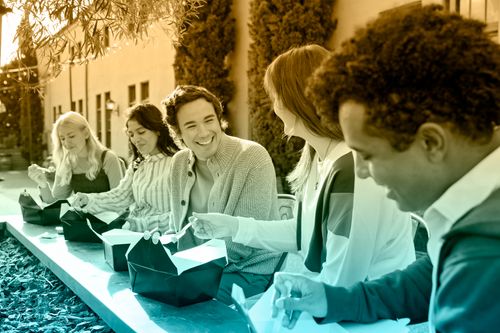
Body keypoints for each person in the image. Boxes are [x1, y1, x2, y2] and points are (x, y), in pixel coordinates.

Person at [272, 5, 500, 332]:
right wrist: (331, 299)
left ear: (431, 143)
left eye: (368, 155)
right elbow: (433, 273)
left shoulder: (485, 254)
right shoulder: (474, 215)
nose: (362, 172)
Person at [191, 45, 415, 287]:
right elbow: (303, 234)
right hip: (342, 305)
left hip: (369, 315)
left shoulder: (351, 169)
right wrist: (232, 226)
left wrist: (298, 301)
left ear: (296, 100)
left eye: (275, 96)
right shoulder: (318, 157)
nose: (273, 107)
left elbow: (344, 279)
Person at [161, 85, 283, 304]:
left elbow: (242, 245)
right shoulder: (179, 163)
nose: (204, 132)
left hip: (247, 271)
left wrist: (187, 268)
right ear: (178, 132)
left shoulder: (252, 156)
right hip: (194, 268)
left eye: (209, 120)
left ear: (219, 120)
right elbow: (178, 229)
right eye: (191, 126)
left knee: (188, 306)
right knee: (150, 293)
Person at [71, 104, 179, 233]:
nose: (136, 139)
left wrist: (138, 225)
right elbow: (121, 196)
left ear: (158, 130)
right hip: (131, 236)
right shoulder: (138, 164)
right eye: (131, 134)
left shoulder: (177, 163)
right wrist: (89, 200)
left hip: (162, 242)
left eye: (141, 132)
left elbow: (180, 214)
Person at [27, 111, 124, 203]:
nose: (66, 143)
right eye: (62, 138)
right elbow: (56, 203)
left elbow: (119, 199)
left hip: (111, 219)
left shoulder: (108, 158)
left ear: (86, 133)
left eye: (71, 136)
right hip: (82, 220)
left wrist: (89, 201)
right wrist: (43, 184)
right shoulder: (66, 163)